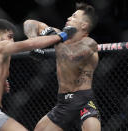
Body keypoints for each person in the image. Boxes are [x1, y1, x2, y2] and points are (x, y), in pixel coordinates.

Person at [0, 18, 76, 131]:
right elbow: (30, 43)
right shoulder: (1, 47)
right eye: (9, 37)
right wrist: (62, 36)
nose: (12, 42)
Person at [23, 3, 101, 131]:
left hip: (83, 101)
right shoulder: (59, 36)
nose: (69, 18)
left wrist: (56, 39)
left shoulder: (90, 43)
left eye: (74, 16)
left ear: (84, 25)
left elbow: (72, 56)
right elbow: (29, 23)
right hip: (63, 103)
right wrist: (34, 41)